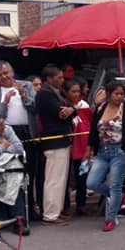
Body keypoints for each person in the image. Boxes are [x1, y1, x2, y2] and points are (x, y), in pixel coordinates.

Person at [86, 80, 125, 232]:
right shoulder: (100, 108)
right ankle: (119, 197)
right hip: (102, 150)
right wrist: (89, 148)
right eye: (116, 94)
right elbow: (94, 130)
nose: (119, 97)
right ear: (109, 94)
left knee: (115, 185)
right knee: (92, 182)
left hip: (120, 151)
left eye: (122, 94)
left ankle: (110, 218)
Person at [0, 61, 38, 217]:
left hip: (27, 132)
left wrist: (24, 96)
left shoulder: (26, 85)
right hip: (5, 135)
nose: (4, 77)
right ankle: (8, 211)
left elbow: (35, 108)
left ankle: (30, 209)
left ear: (13, 72)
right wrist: (4, 102)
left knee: (29, 172)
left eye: (6, 73)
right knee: (8, 172)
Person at [35, 65, 77, 225]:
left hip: (61, 139)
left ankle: (56, 210)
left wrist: (71, 110)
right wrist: (70, 111)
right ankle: (50, 214)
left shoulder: (55, 92)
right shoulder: (45, 94)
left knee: (60, 178)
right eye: (58, 77)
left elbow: (69, 110)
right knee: (54, 179)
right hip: (54, 139)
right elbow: (61, 113)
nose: (61, 80)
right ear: (49, 78)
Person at [65, 80, 93, 216]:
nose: (76, 94)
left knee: (82, 176)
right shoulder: (63, 106)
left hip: (83, 150)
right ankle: (65, 206)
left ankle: (81, 205)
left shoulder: (85, 107)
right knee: (65, 178)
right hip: (67, 148)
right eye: (73, 91)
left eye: (78, 91)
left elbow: (90, 124)